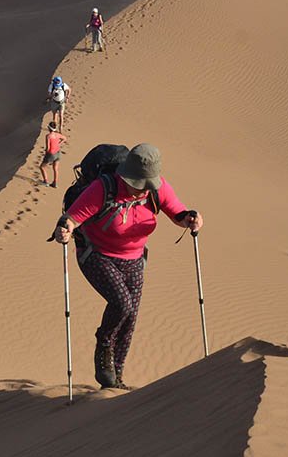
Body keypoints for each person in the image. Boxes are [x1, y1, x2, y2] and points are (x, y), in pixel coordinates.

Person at [51, 144, 203, 390]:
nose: (140, 190)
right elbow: (73, 217)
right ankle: (104, 344)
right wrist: (64, 228)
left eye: (145, 184)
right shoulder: (103, 188)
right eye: (136, 183)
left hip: (134, 258)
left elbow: (178, 214)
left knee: (130, 318)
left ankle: (115, 380)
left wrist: (190, 220)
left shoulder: (157, 189)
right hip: (96, 254)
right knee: (122, 303)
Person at [38, 122, 67, 187]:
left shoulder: (48, 136)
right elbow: (65, 138)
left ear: (49, 128)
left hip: (51, 153)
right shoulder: (58, 134)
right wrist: (59, 143)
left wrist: (46, 155)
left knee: (42, 167)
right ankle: (55, 183)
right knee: (55, 168)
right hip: (58, 153)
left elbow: (48, 148)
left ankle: (45, 181)